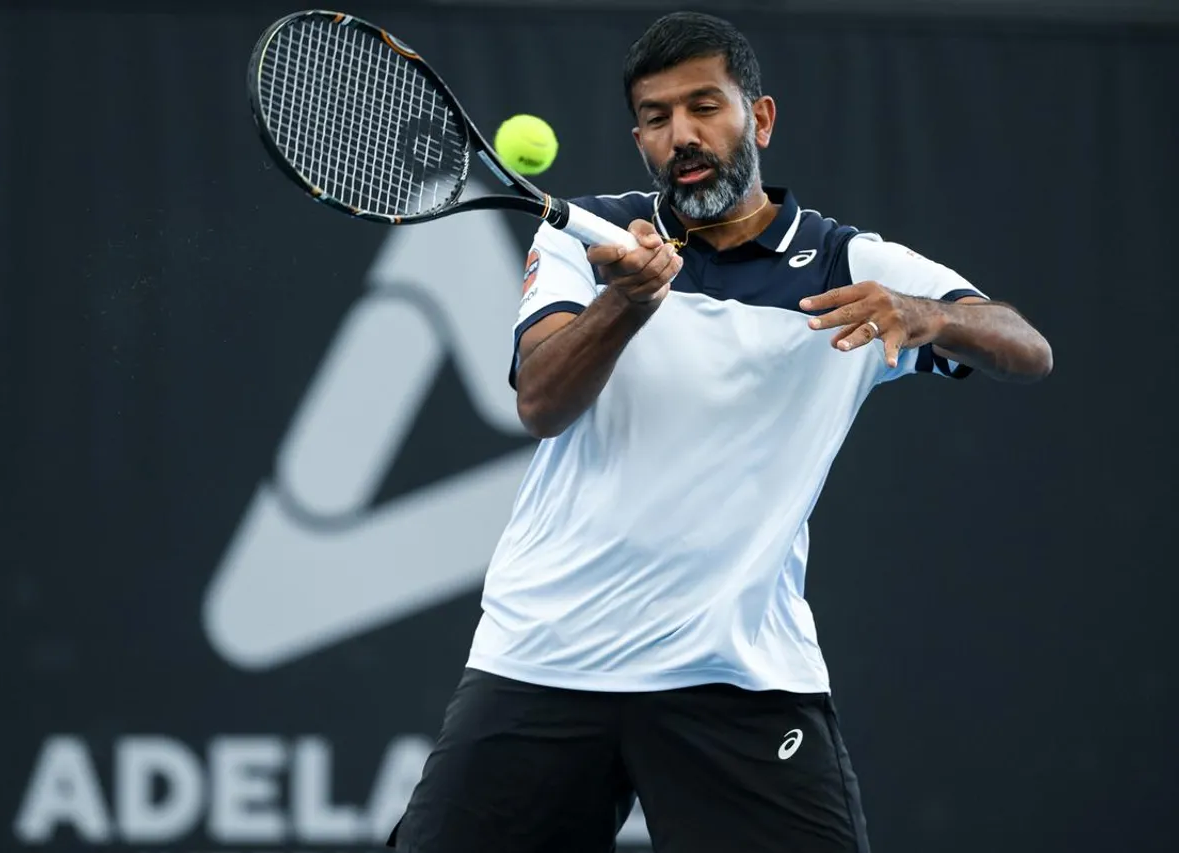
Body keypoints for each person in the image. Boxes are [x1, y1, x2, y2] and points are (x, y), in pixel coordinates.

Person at [387, 10, 1053, 853]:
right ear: (639, 138)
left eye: (706, 107)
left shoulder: (851, 267)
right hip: (545, 660)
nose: (683, 136)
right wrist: (624, 306)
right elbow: (542, 404)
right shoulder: (585, 241)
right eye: (658, 119)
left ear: (760, 118)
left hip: (738, 677)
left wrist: (923, 313)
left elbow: (1028, 350)